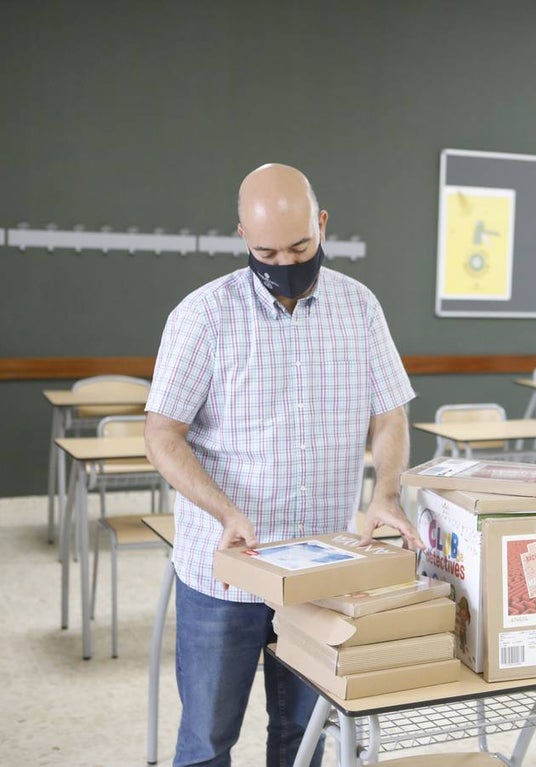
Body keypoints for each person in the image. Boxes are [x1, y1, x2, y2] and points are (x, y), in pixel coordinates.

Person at [144, 163, 419, 767]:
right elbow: (162, 436)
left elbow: (390, 416)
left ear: (322, 225)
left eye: (300, 246)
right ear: (243, 235)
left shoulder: (359, 308)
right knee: (207, 742)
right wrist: (224, 511)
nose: (285, 262)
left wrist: (386, 493)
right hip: (227, 572)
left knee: (306, 741)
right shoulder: (202, 316)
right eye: (266, 250)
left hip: (321, 572)